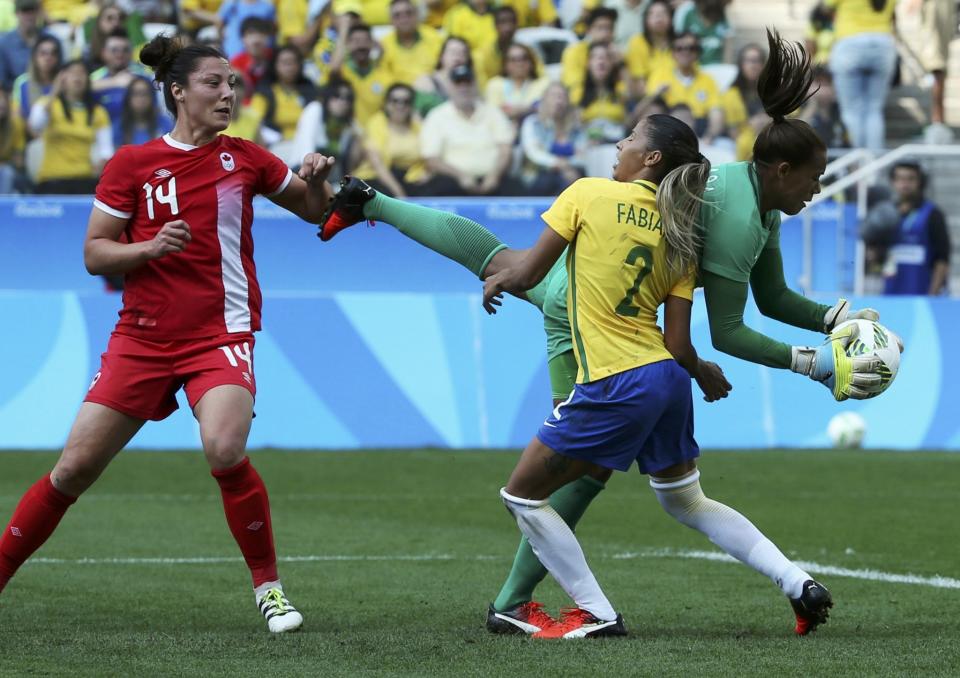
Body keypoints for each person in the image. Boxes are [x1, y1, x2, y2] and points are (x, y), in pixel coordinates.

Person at [315, 29, 892, 637]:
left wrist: (834, 321)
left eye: (627, 139)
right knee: (592, 474)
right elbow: (725, 332)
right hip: (621, 328)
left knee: (501, 272)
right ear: (780, 170)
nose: (819, 188)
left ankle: (371, 202)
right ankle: (516, 598)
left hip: (606, 310)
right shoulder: (725, 218)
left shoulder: (730, 194)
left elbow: (771, 301)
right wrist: (815, 364)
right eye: (816, 177)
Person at [0, 34, 339, 634]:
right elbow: (94, 254)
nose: (227, 94)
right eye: (214, 83)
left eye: (232, 84)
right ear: (178, 91)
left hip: (220, 333)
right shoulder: (132, 164)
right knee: (73, 470)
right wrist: (150, 246)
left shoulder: (248, 158)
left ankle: (270, 590)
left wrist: (315, 178)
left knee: (225, 447)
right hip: (143, 338)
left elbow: (319, 212)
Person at [418, 63, 515, 196]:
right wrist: (460, 176)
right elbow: (432, 159)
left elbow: (505, 150)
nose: (463, 88)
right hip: (452, 179)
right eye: (458, 83)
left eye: (468, 82)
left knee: (517, 189)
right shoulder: (437, 116)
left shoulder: (493, 112)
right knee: (438, 188)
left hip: (493, 177)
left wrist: (494, 175)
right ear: (450, 87)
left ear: (475, 85)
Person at [28, 59, 113, 194]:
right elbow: (36, 124)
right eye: (72, 72)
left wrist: (100, 165)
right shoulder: (47, 104)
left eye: (82, 73)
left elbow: (106, 150)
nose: (77, 76)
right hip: (52, 179)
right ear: (62, 78)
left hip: (84, 178)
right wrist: (54, 91)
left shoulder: (98, 112)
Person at [826, 0, 895, 152]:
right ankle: (873, 167)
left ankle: (853, 163)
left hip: (849, 43)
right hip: (883, 44)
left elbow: (826, 8)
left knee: (851, 110)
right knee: (874, 109)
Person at [880, 161, 951, 295]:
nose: (905, 184)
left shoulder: (933, 214)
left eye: (910, 179)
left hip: (923, 294)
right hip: (891, 294)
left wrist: (933, 294)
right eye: (900, 179)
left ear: (920, 182)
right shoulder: (885, 213)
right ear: (893, 182)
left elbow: (942, 259)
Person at [352, 82, 428, 198]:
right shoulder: (377, 123)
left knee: (445, 184)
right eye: (395, 101)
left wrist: (428, 174)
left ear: (411, 106)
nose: (400, 105)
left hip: (410, 177)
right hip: (378, 177)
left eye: (406, 101)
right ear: (386, 104)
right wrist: (399, 193)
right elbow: (377, 164)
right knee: (381, 195)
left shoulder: (417, 126)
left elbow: (430, 155)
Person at [519, 81, 586, 195]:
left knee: (575, 182)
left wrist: (568, 166)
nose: (558, 101)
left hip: (572, 172)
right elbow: (533, 153)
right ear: (544, 100)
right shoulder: (532, 123)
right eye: (554, 96)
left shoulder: (576, 127)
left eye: (562, 97)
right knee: (552, 180)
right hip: (539, 174)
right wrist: (560, 165)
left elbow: (583, 156)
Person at [484, 42, 549, 130]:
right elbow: (492, 113)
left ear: (531, 62)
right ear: (505, 64)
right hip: (502, 132)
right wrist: (529, 109)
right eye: (513, 60)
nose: (519, 64)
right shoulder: (495, 84)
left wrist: (514, 111)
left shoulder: (544, 83)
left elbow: (546, 109)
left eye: (524, 59)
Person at [379, 0, 444, 87]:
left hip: (433, 90)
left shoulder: (434, 37)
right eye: (397, 15)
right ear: (391, 20)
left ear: (417, 15)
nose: (404, 19)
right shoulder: (383, 45)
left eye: (408, 13)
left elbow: (443, 68)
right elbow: (383, 77)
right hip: (401, 93)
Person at [413, 35, 473, 118]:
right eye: (453, 53)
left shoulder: (471, 85)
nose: (458, 58)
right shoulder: (426, 82)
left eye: (463, 53)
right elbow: (415, 116)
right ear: (441, 57)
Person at [11, 33, 60, 126]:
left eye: (53, 54)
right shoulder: (22, 82)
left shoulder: (63, 82)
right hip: (29, 134)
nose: (48, 58)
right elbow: (16, 114)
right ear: (34, 57)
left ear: (58, 58)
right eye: (43, 53)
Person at [112, 75, 173, 147]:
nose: (141, 99)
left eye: (145, 94)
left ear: (152, 97)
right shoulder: (118, 127)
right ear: (128, 98)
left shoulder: (165, 123)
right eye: (136, 94)